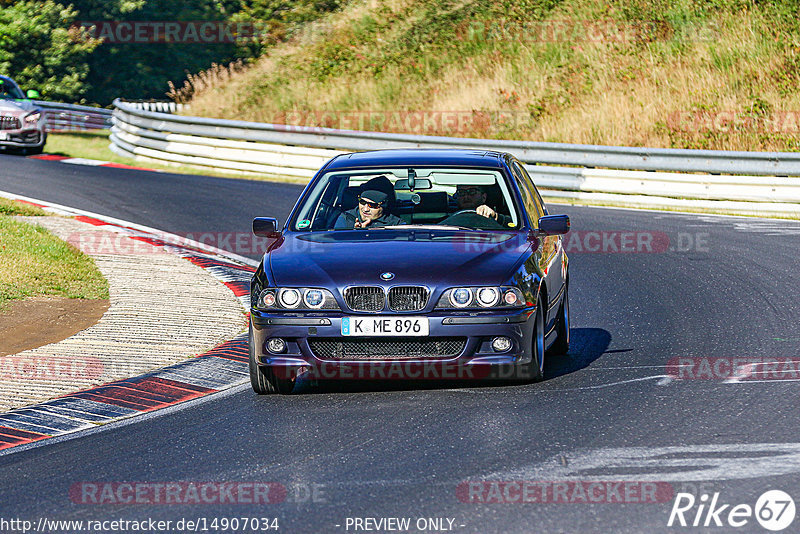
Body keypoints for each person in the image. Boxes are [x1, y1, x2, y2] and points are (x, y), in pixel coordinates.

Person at [335, 189, 404, 229]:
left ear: (383, 207)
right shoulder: (346, 218)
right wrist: (355, 234)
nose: (365, 209)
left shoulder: (396, 224)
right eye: (362, 202)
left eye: (372, 205)